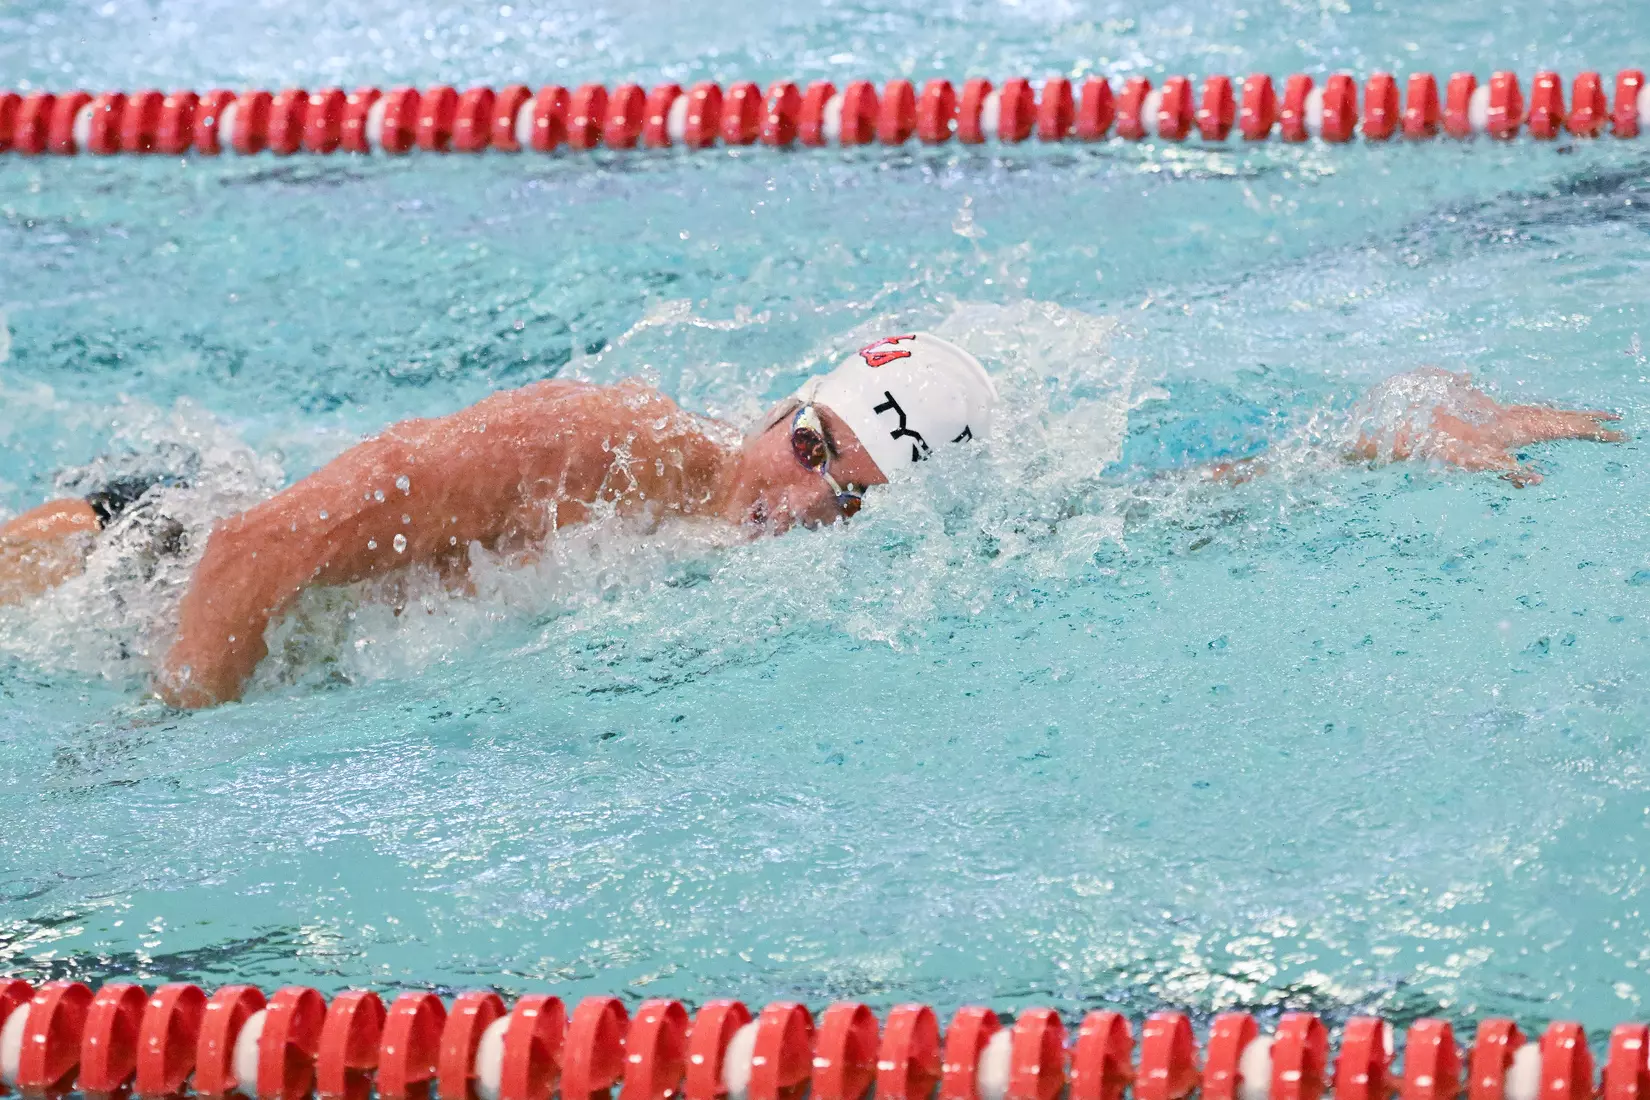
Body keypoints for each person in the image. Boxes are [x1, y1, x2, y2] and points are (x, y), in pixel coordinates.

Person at [0, 335, 1625, 709]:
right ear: (785, 399)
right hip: (123, 561)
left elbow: (1099, 520)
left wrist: (1363, 447)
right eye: (807, 445)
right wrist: (161, 755)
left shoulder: (775, 555)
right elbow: (246, 555)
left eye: (849, 496)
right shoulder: (609, 450)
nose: (804, 499)